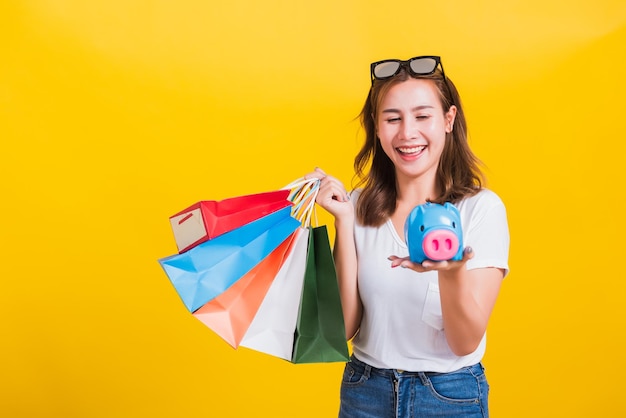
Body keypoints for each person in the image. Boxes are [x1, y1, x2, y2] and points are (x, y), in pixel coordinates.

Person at [305, 55, 509, 418]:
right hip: (365, 392)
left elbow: (464, 342)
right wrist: (343, 222)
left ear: (449, 120)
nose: (407, 133)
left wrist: (450, 272)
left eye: (422, 116)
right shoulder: (358, 207)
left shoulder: (480, 210)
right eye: (392, 118)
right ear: (377, 127)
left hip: (449, 396)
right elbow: (346, 328)